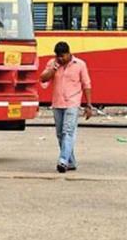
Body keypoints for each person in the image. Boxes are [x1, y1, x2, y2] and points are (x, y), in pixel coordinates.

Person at [40, 41, 92, 173]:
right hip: (57, 103)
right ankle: (71, 161)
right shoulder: (53, 63)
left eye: (63, 56)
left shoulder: (80, 64)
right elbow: (43, 78)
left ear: (69, 53)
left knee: (68, 131)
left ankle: (63, 160)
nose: (61, 59)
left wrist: (88, 105)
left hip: (72, 103)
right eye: (58, 56)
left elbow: (86, 84)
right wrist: (54, 68)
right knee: (60, 134)